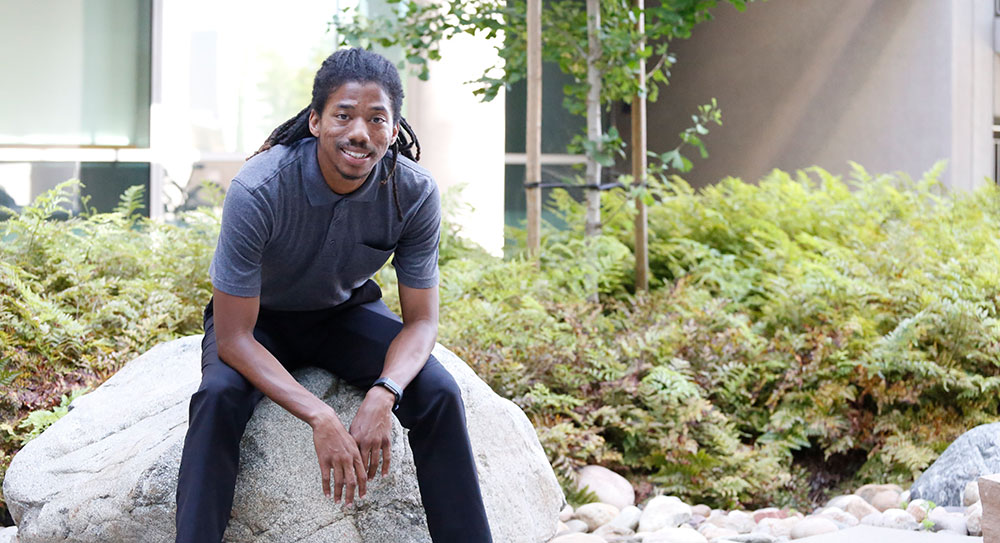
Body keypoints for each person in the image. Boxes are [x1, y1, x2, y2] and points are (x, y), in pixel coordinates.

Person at [174, 47, 493, 543]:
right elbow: (234, 338)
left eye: (376, 119)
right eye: (343, 115)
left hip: (345, 313)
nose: (360, 133)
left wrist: (385, 392)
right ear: (316, 120)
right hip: (260, 324)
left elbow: (422, 323)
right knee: (216, 397)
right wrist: (321, 415)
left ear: (394, 128)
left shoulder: (413, 192)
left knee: (438, 393)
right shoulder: (258, 189)